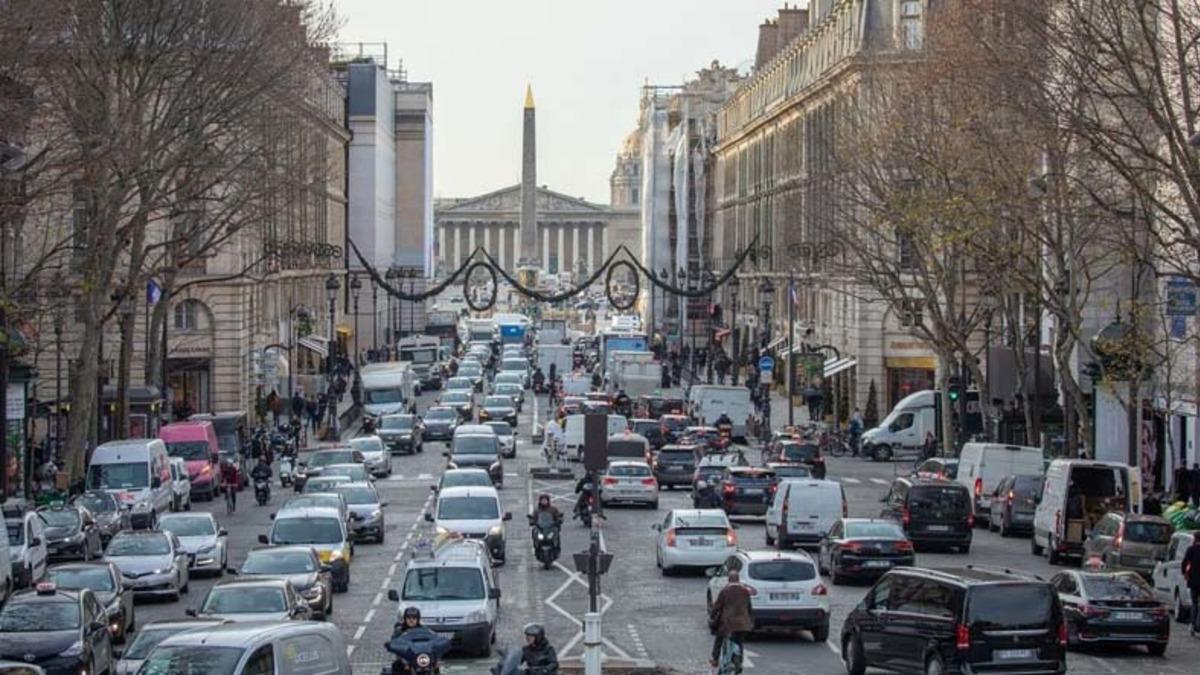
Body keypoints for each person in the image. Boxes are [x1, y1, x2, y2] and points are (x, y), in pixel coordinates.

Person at [710, 569, 754, 669]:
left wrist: (712, 616)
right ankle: (738, 661)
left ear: (729, 580)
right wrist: (750, 620)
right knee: (739, 641)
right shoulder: (745, 591)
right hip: (743, 623)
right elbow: (749, 607)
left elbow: (717, 606)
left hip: (727, 623)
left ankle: (715, 659)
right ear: (738, 580)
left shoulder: (725, 591)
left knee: (719, 638)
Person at [1183, 534, 1200, 636]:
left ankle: (1193, 625)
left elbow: (1184, 563)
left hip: (1193, 580)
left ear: (1195, 539)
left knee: (1194, 603)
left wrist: (1185, 574)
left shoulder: (1191, 549)